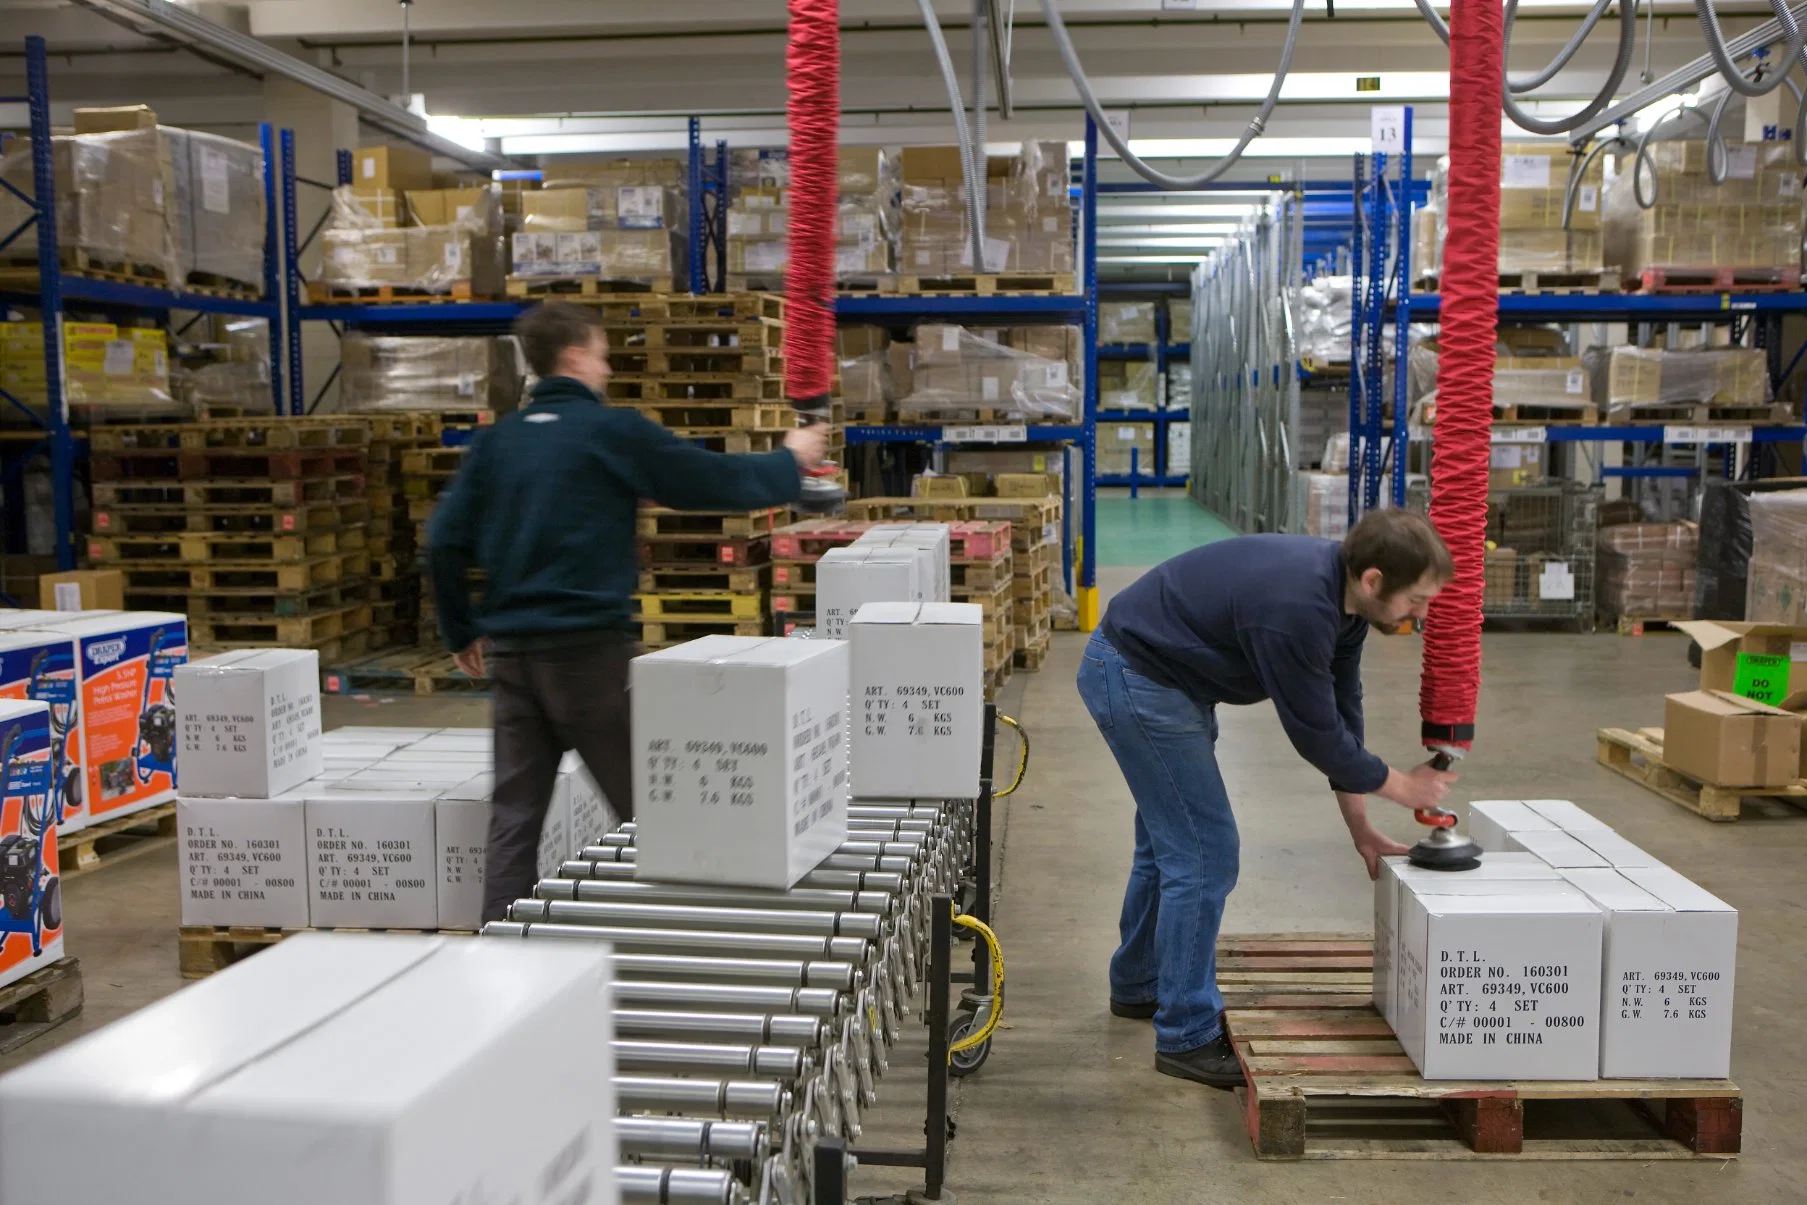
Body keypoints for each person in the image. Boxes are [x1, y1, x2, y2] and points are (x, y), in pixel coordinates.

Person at [428, 300, 827, 922]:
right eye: (604, 356)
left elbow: (442, 542)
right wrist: (790, 460)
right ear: (576, 357)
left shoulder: (496, 444)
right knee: (651, 807)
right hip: (587, 658)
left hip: (512, 659)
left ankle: (500, 956)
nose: (609, 371)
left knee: (513, 817)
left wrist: (461, 630)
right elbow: (708, 480)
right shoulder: (612, 433)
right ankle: (682, 946)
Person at [1076, 509, 1458, 1090]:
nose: (1423, 615)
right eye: (1418, 600)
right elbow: (1315, 735)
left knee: (1169, 844)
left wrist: (1360, 825)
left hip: (1169, 678)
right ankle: (1186, 1034)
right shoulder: (1297, 610)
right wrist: (1405, 788)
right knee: (1205, 853)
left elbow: (1340, 712)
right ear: (1375, 580)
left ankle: (1141, 983)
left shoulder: (1346, 601)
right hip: (1138, 677)